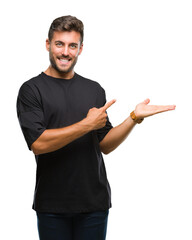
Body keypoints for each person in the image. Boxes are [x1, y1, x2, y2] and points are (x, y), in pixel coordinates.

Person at [16, 15, 176, 240]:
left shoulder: (94, 90)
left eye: (73, 45)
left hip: (94, 204)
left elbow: (105, 145)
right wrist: (86, 125)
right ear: (48, 44)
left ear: (81, 49)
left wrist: (133, 118)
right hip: (52, 205)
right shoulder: (31, 90)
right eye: (59, 44)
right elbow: (38, 143)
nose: (65, 52)